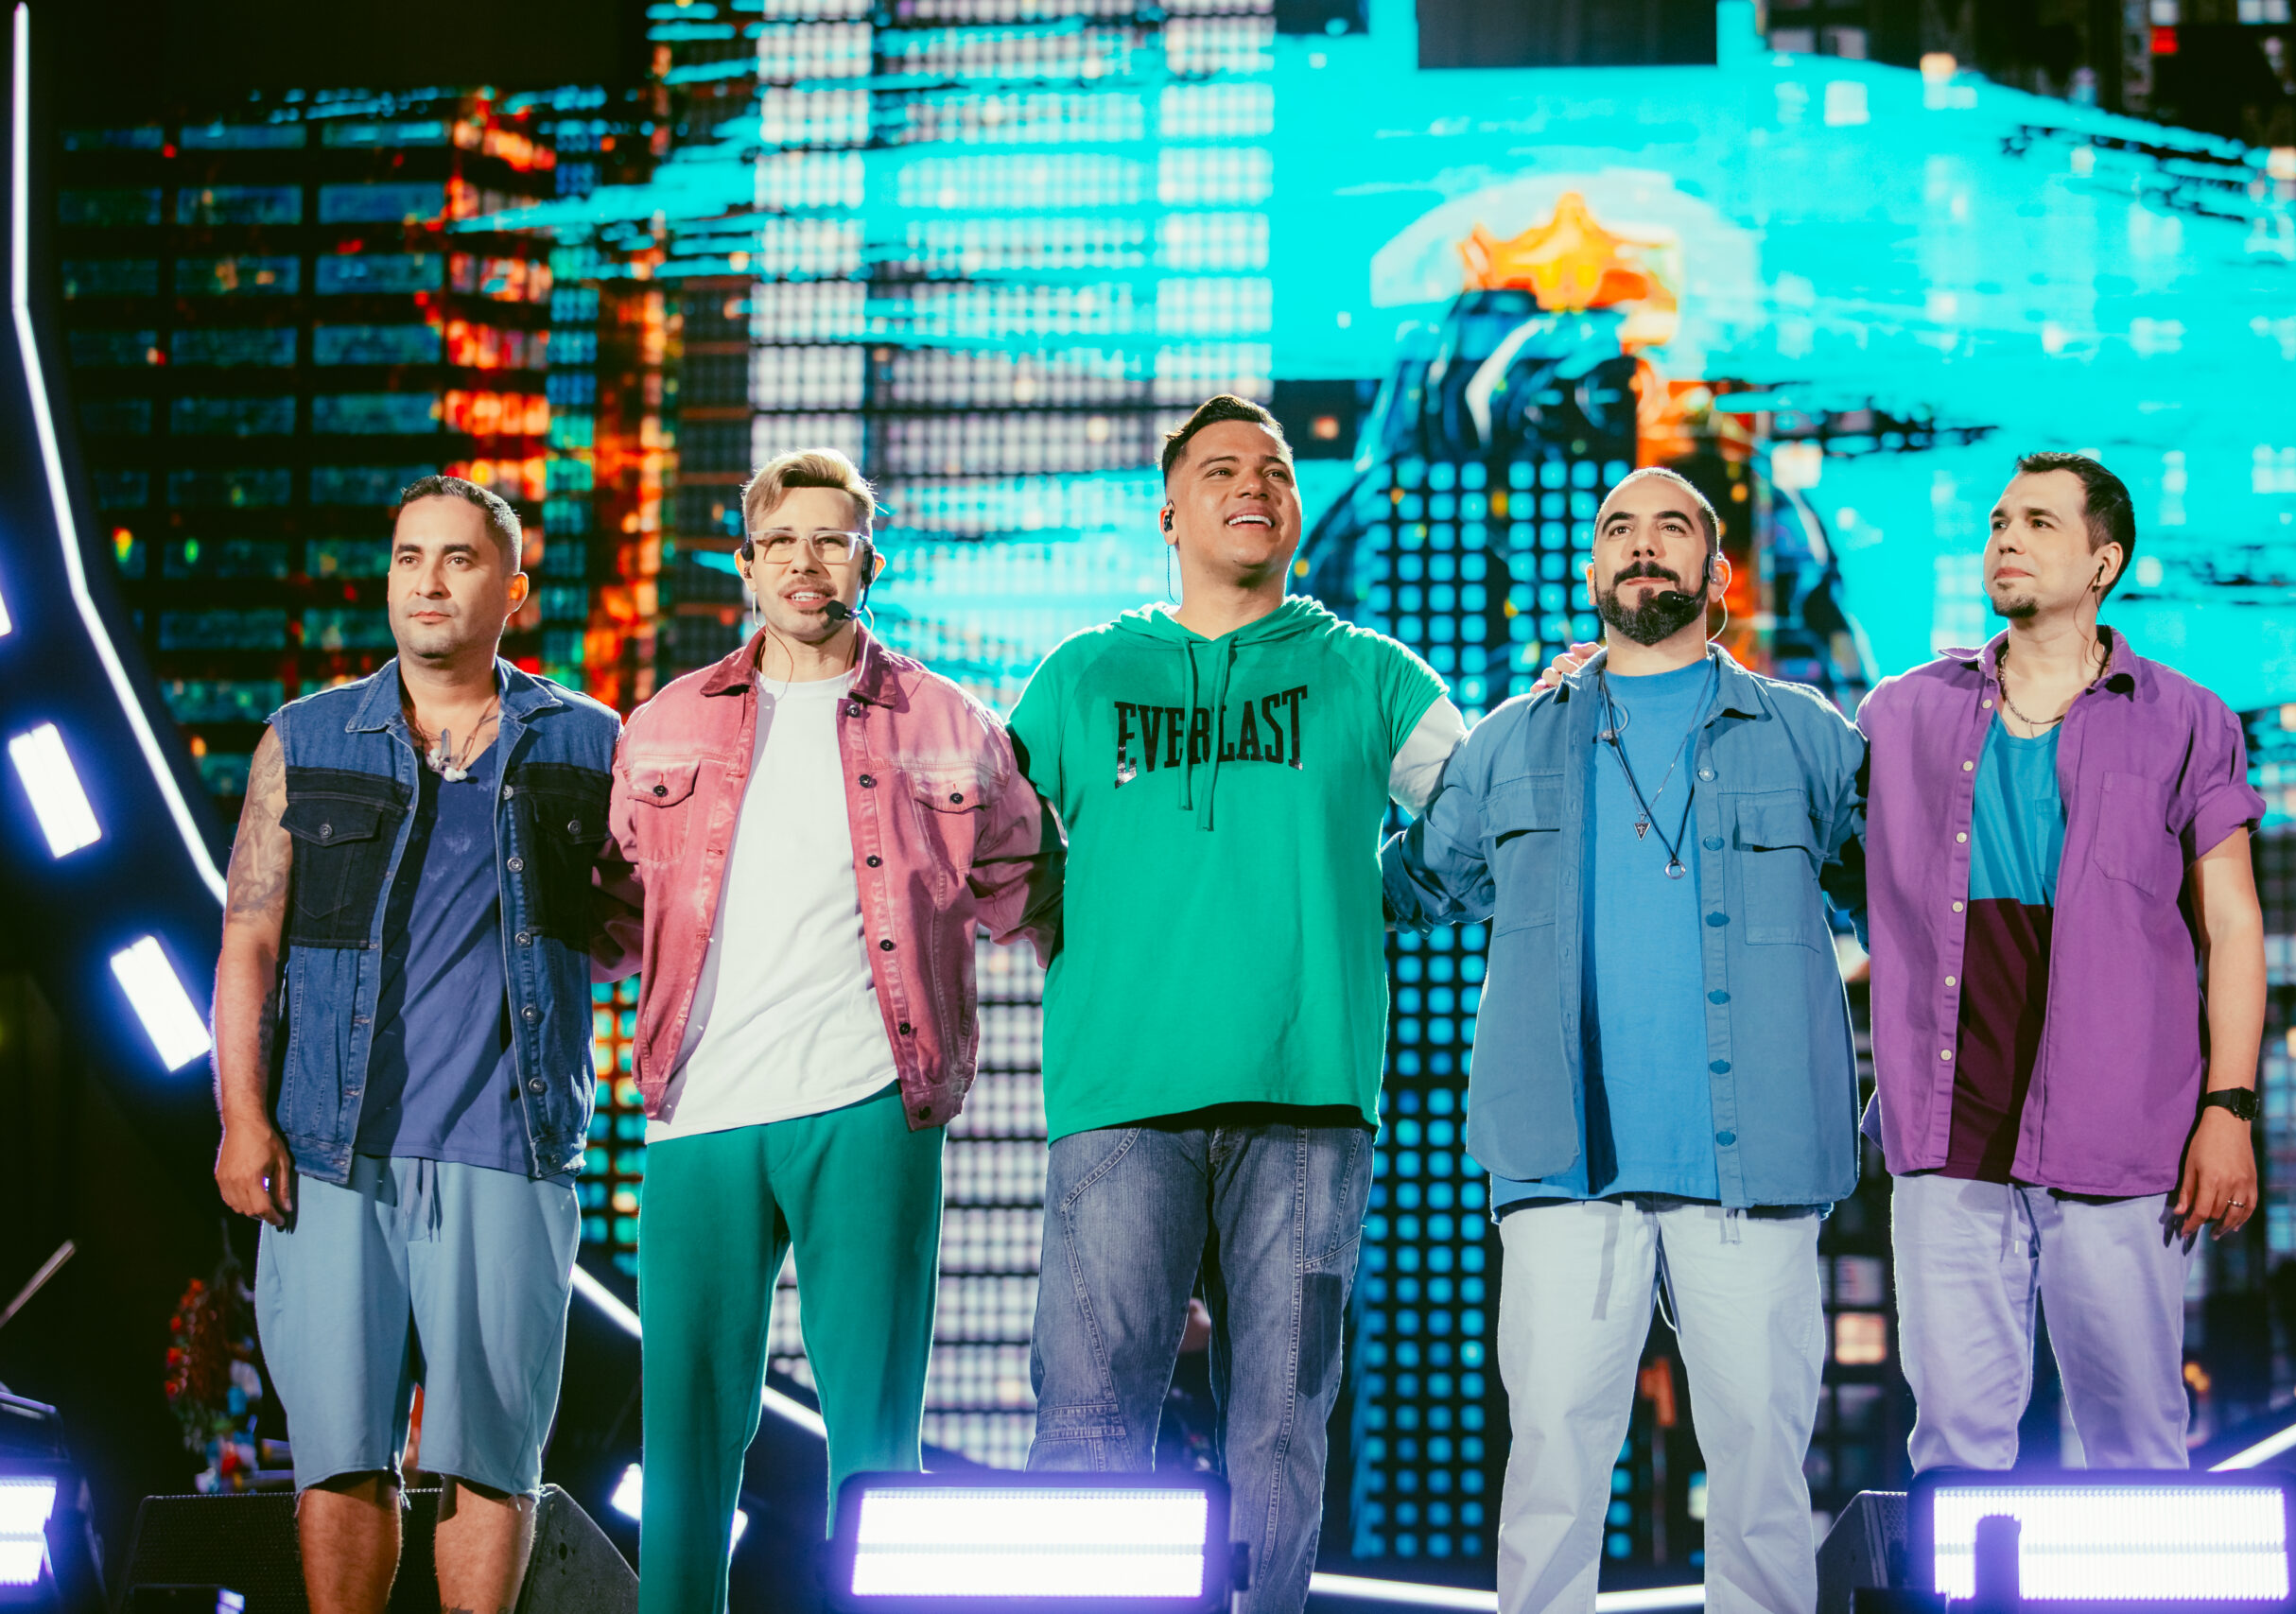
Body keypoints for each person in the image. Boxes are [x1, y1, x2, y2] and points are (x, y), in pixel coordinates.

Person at [1008, 395, 1463, 1613]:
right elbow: (996, 856)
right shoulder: (1081, 675)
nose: (1252, 484)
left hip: (1307, 1100)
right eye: (1219, 470)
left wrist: (1383, 895)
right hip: (1120, 1094)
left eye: (1273, 469)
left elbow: (1481, 817)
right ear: (1168, 514)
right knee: (1089, 1421)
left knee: (1279, 1432)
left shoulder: (1372, 673)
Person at [1392, 467, 1862, 1614]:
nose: (1641, 544)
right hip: (1560, 1165)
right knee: (1550, 1476)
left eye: (1669, 527)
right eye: (1618, 529)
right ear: (1592, 568)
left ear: (1717, 570)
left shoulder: (1807, 738)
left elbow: (1907, 902)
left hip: (1757, 1167)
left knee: (1762, 1482)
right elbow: (1405, 887)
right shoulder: (1510, 740)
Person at [602, 448, 1060, 1614]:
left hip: (869, 1105)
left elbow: (1035, 897)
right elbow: (615, 909)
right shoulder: (662, 724)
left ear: (869, 561)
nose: (806, 563)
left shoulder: (950, 722)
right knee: (683, 1443)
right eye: (782, 543)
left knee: (876, 1437)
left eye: (832, 540)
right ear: (745, 565)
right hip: (701, 1109)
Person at [212, 476, 627, 1614]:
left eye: (458, 558)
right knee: (340, 1454)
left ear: (514, 591)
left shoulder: (590, 741)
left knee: (491, 1457)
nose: (428, 582)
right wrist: (243, 1118)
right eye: (409, 557)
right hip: (330, 1148)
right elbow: (248, 939)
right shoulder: (305, 738)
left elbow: (637, 925)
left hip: (511, 1146)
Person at [1857, 453, 2264, 1471]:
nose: (2007, 539)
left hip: (2120, 1133)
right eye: (1999, 521)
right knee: (1953, 1445)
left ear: (2102, 561)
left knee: (2135, 1447)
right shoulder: (1902, 713)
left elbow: (2232, 925)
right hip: (1949, 1133)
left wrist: (2230, 1109)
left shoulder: (2184, 718)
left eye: (2039, 522)